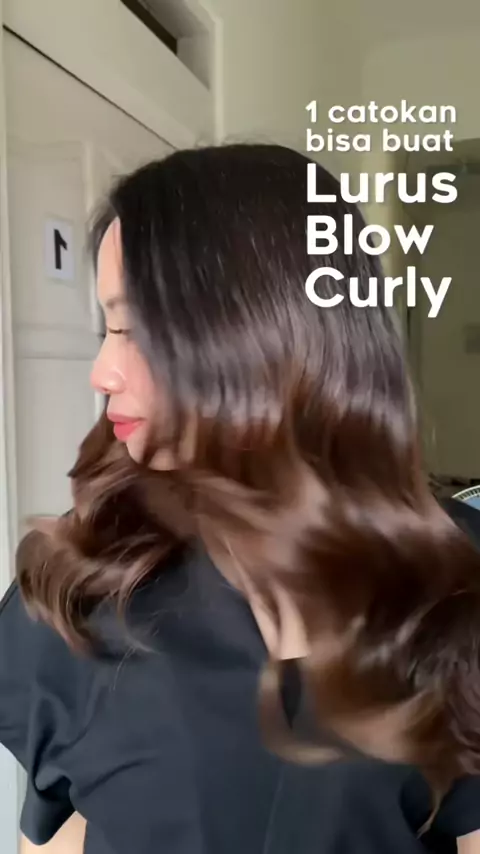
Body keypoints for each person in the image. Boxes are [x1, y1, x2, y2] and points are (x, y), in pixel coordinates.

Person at [2, 143, 480, 854]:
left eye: (132, 329)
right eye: (107, 329)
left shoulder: (454, 579)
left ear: (264, 334)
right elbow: (59, 831)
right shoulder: (76, 580)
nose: (102, 371)